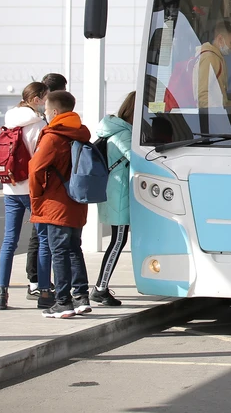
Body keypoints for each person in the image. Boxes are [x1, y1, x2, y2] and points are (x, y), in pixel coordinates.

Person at [29, 91, 94, 319]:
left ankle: (63, 302)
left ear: (55, 112)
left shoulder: (53, 137)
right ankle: (81, 297)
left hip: (56, 202)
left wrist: (36, 197)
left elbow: (35, 169)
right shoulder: (80, 134)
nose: (44, 113)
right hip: (77, 200)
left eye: (46, 110)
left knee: (59, 251)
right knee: (75, 248)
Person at [0, 83, 53, 311]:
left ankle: (2, 294)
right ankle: (45, 293)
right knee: (44, 239)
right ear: (37, 99)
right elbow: (43, 158)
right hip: (32, 190)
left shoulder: (9, 119)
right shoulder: (38, 124)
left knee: (9, 242)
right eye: (46, 98)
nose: (47, 102)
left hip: (10, 189)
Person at [23, 73, 68, 297]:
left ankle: (33, 281)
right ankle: (40, 284)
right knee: (45, 239)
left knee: (28, 236)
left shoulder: (15, 118)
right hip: (41, 188)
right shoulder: (42, 126)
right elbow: (38, 165)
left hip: (15, 186)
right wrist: (38, 193)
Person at [91, 91, 135, 307]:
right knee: (117, 242)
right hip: (119, 196)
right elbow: (138, 160)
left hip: (115, 193)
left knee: (118, 241)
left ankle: (100, 286)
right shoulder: (123, 135)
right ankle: (100, 288)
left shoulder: (114, 130)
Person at [197, 19, 231, 108]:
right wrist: (218, 118)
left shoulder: (217, 57)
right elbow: (203, 96)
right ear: (220, 39)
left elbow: (221, 101)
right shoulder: (209, 58)